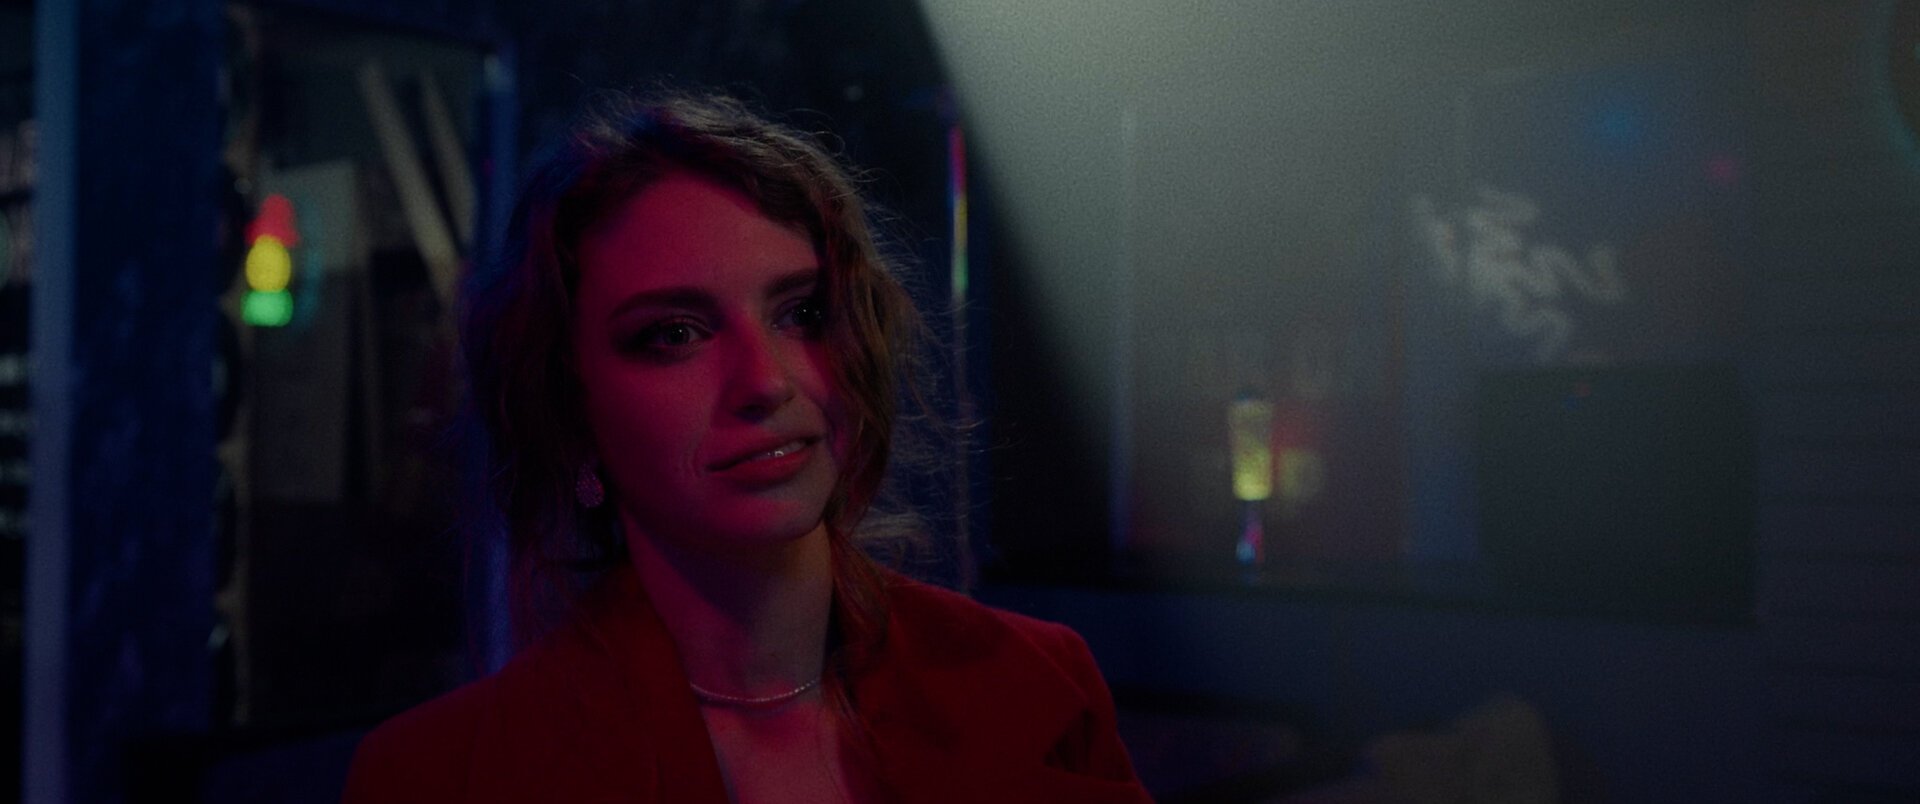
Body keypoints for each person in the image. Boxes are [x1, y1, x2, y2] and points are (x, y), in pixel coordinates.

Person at [341, 90, 1152, 803]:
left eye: (801, 313)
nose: (765, 381)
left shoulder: (1037, 684)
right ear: (571, 408)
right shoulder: (437, 779)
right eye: (675, 334)